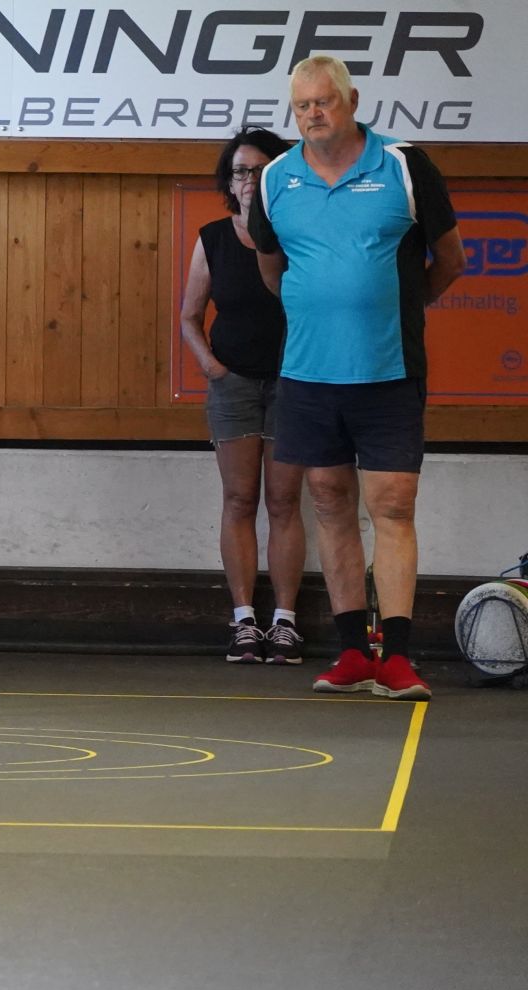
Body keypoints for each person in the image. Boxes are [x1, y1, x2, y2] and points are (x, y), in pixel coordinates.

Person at [249, 55, 465, 700]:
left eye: (325, 101)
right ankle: (351, 654)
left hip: (388, 370)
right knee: (329, 503)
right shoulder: (276, 179)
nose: (314, 114)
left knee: (393, 506)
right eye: (302, 105)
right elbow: (271, 268)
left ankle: (396, 658)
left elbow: (450, 260)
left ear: (352, 101)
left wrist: (397, 307)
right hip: (308, 373)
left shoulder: (404, 164)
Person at [179, 127, 306, 666]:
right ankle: (244, 621)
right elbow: (189, 317)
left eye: (259, 170)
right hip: (233, 386)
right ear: (228, 183)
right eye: (239, 172)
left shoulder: (300, 234)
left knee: (284, 502)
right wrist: (212, 368)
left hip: (293, 385)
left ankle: (285, 622)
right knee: (238, 500)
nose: (249, 180)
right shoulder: (212, 237)